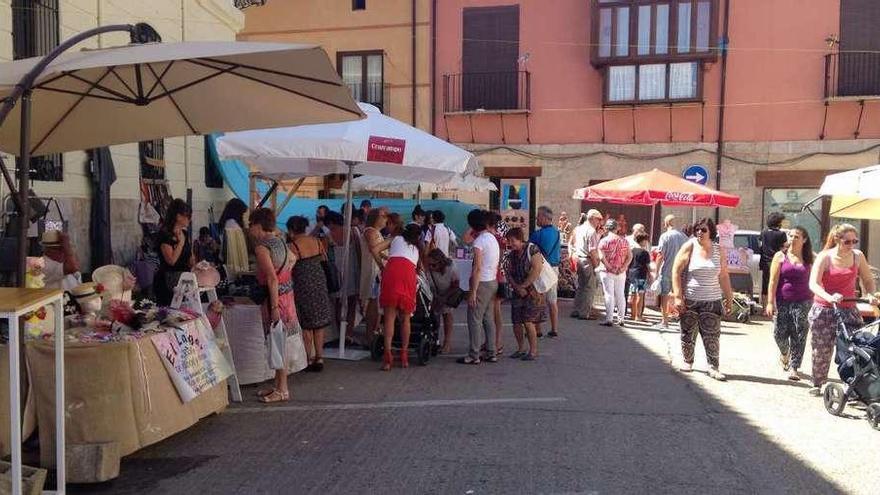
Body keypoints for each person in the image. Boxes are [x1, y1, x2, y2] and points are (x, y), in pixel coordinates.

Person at [807, 223, 878, 396]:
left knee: (852, 348)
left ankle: (853, 385)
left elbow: (868, 280)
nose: (851, 245)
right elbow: (813, 283)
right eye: (847, 241)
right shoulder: (825, 257)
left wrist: (870, 294)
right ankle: (818, 382)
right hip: (824, 309)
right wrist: (828, 296)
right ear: (837, 240)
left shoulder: (858, 256)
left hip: (848, 309)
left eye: (855, 241)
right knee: (822, 349)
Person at [672, 217, 733, 381]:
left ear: (711, 232)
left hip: (712, 300)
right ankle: (688, 361)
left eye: (703, 229)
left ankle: (713, 367)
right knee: (687, 333)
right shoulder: (690, 246)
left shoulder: (718, 250)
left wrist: (729, 298)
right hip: (691, 298)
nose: (699, 232)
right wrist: (678, 296)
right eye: (697, 229)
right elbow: (676, 271)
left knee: (712, 335)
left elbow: (724, 276)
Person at [249, 208, 296, 402]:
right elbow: (293, 259)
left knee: (277, 342)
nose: (249, 229)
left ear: (258, 226)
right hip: (288, 296)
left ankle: (282, 389)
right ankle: (278, 384)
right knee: (280, 341)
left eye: (251, 224)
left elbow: (271, 279)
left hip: (274, 300)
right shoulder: (280, 241)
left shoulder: (262, 247)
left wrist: (274, 307)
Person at [765, 226, 814, 381]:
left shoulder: (810, 258)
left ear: (804, 240)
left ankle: (794, 367)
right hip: (782, 300)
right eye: (790, 236)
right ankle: (785, 353)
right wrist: (770, 302)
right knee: (779, 333)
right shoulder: (780, 256)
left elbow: (816, 279)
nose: (792, 239)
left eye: (797, 236)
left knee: (799, 334)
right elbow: (773, 281)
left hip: (804, 301)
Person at [286, 216, 332, 372]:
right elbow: (324, 259)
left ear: (291, 230)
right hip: (319, 283)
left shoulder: (292, 246)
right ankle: (319, 357)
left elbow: (288, 267)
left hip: (303, 285)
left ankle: (308, 358)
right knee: (319, 324)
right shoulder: (316, 241)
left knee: (306, 324)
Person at [377, 224, 422, 370]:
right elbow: (419, 268)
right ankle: (404, 355)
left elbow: (374, 249)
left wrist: (382, 265)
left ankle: (388, 356)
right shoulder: (417, 248)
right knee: (406, 319)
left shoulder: (395, 239)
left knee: (389, 318)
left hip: (391, 272)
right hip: (408, 275)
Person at [460, 209, 500, 365]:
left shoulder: (479, 241)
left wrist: (473, 292)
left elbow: (477, 268)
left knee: (474, 318)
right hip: (492, 281)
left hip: (481, 282)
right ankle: (491, 351)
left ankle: (474, 354)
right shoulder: (491, 238)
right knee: (487, 318)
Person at [504, 227, 546, 361]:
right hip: (518, 291)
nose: (511, 243)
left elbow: (537, 269)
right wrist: (517, 287)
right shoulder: (511, 254)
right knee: (516, 321)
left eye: (513, 240)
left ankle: (533, 351)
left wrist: (524, 286)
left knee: (528, 321)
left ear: (520, 239)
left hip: (533, 292)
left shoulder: (532, 249)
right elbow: (508, 272)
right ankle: (520, 348)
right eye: (509, 241)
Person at [326, 210, 360, 343]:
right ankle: (349, 334)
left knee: (338, 304)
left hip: (337, 271)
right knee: (352, 302)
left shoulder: (329, 235)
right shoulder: (353, 231)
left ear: (331, 222)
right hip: (352, 269)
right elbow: (358, 252)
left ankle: (340, 334)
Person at [153, 199, 194, 306]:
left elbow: (190, 256)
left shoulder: (184, 233)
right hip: (168, 280)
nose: (190, 219)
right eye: (188, 216)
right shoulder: (165, 235)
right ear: (178, 216)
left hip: (184, 279)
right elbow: (171, 261)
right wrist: (180, 243)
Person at [529, 206, 561, 338]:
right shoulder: (556, 232)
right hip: (553, 268)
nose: (536, 218)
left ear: (543, 217)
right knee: (552, 300)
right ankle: (554, 329)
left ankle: (538, 329)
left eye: (538, 216)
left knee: (538, 299)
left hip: (540, 268)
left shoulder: (538, 234)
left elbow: (530, 250)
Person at [655, 215, 689, 329]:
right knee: (680, 295)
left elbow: (660, 255)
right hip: (682, 271)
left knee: (664, 295)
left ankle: (665, 321)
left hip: (667, 270)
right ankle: (682, 321)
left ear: (666, 223)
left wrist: (656, 272)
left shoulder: (665, 236)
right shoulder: (684, 237)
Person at [360, 209, 388, 343]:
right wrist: (383, 265)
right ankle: (370, 335)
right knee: (372, 304)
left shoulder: (376, 232)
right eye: (383, 216)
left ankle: (374, 333)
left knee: (377, 304)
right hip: (373, 271)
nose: (385, 218)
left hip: (378, 271)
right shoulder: (370, 232)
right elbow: (375, 250)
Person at [597, 219, 631, 327]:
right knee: (620, 294)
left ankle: (609, 319)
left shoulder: (604, 241)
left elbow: (601, 256)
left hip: (607, 271)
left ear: (606, 228)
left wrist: (609, 267)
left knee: (609, 294)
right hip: (621, 271)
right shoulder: (624, 241)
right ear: (617, 228)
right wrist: (623, 267)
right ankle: (621, 319)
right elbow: (630, 256)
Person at [425, 248, 460, 354]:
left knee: (447, 314)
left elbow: (455, 285)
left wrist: (444, 297)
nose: (431, 267)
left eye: (434, 265)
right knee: (433, 316)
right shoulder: (429, 269)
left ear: (441, 263)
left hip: (448, 292)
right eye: (429, 265)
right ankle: (434, 341)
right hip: (434, 292)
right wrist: (435, 297)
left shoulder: (451, 267)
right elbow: (427, 285)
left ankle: (447, 343)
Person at [570, 210, 602, 320]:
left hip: (579, 259)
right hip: (587, 260)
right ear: (593, 218)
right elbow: (592, 251)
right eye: (599, 219)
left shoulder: (579, 229)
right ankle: (584, 313)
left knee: (581, 286)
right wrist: (596, 265)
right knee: (589, 288)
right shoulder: (591, 231)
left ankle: (576, 309)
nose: (599, 222)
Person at [487, 211, 506, 355]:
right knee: (491, 311)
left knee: (495, 311)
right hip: (496, 276)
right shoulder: (497, 237)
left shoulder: (496, 238)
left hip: (496, 276)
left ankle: (497, 341)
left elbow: (499, 260)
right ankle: (491, 341)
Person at [760, 212, 788, 307]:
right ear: (778, 222)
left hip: (765, 261)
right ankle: (775, 306)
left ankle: (765, 307)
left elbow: (761, 245)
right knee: (777, 283)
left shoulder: (764, 232)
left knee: (766, 284)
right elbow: (784, 248)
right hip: (776, 262)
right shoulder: (781, 234)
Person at [218, 198, 249, 277]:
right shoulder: (232, 225)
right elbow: (232, 248)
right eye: (243, 213)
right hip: (232, 265)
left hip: (227, 262)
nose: (244, 217)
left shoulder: (227, 223)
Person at [628, 233, 652, 322]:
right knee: (640, 295)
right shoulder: (645, 252)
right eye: (646, 240)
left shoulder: (632, 250)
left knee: (633, 295)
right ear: (643, 241)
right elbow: (648, 265)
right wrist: (651, 275)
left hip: (632, 274)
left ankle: (632, 315)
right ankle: (638, 316)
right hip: (641, 275)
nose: (647, 242)